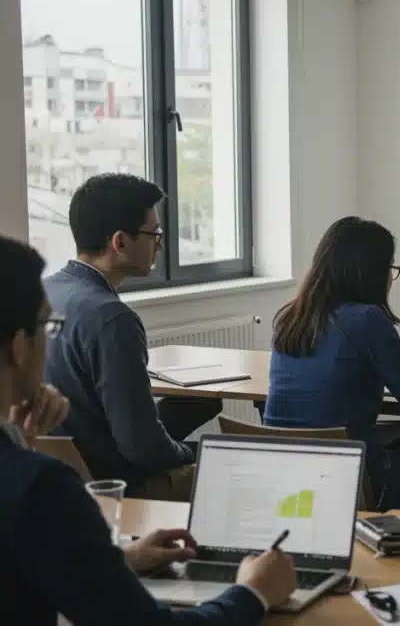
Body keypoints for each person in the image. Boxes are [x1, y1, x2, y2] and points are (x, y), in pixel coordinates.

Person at [0, 234, 297, 625]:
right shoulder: (40, 489)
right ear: (20, 345)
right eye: (47, 325)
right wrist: (254, 592)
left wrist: (118, 561)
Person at [266, 217, 400, 512]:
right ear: (371, 272)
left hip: (283, 472)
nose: (391, 277)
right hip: (344, 474)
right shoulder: (366, 320)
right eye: (390, 267)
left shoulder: (290, 318)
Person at [44, 173, 222, 499]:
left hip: (59, 481)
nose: (160, 244)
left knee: (195, 407)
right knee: (235, 467)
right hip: (117, 487)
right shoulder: (112, 319)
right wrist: (188, 453)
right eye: (154, 233)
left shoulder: (44, 293)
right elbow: (141, 448)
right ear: (120, 243)